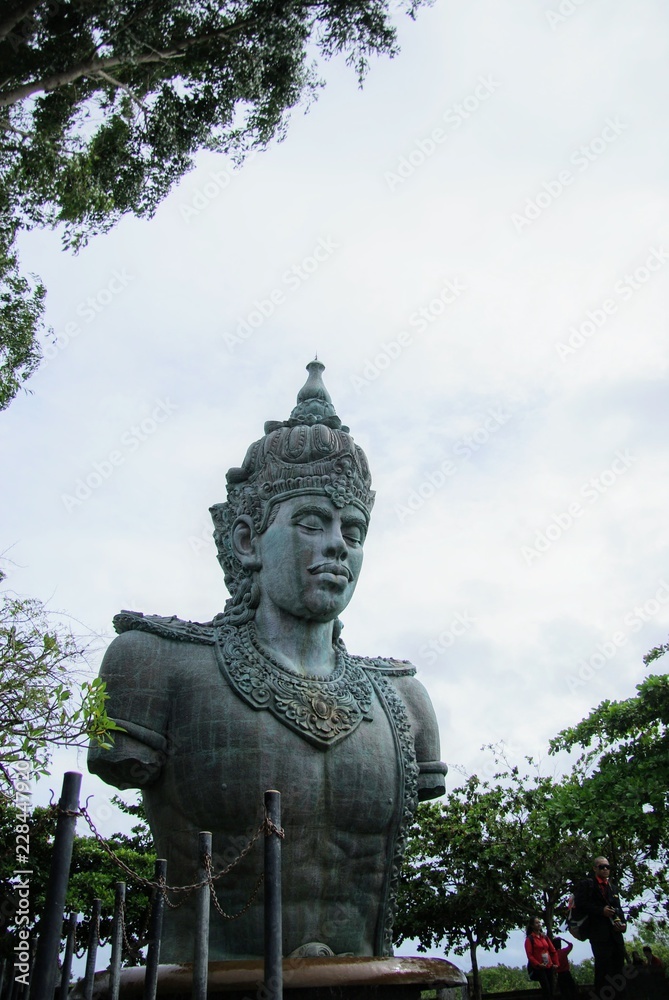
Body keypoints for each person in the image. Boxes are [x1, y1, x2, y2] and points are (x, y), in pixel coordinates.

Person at [88, 361, 446, 962]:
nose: (337, 544)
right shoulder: (152, 665)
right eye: (311, 522)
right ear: (248, 539)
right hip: (208, 984)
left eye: (353, 531)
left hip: (366, 978)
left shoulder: (404, 701)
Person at [573, 856, 627, 999]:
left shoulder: (612, 887)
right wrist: (600, 910)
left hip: (615, 935)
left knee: (618, 970)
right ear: (595, 868)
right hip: (599, 934)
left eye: (607, 867)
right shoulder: (587, 885)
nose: (605, 869)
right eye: (602, 866)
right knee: (603, 969)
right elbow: (581, 904)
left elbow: (619, 908)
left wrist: (623, 924)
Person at [525, 916, 559, 996]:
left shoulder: (545, 937)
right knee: (546, 989)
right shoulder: (529, 939)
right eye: (536, 923)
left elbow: (553, 951)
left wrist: (556, 963)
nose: (539, 924)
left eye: (539, 922)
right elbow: (529, 955)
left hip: (549, 966)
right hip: (539, 968)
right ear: (532, 926)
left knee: (552, 990)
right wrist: (538, 964)